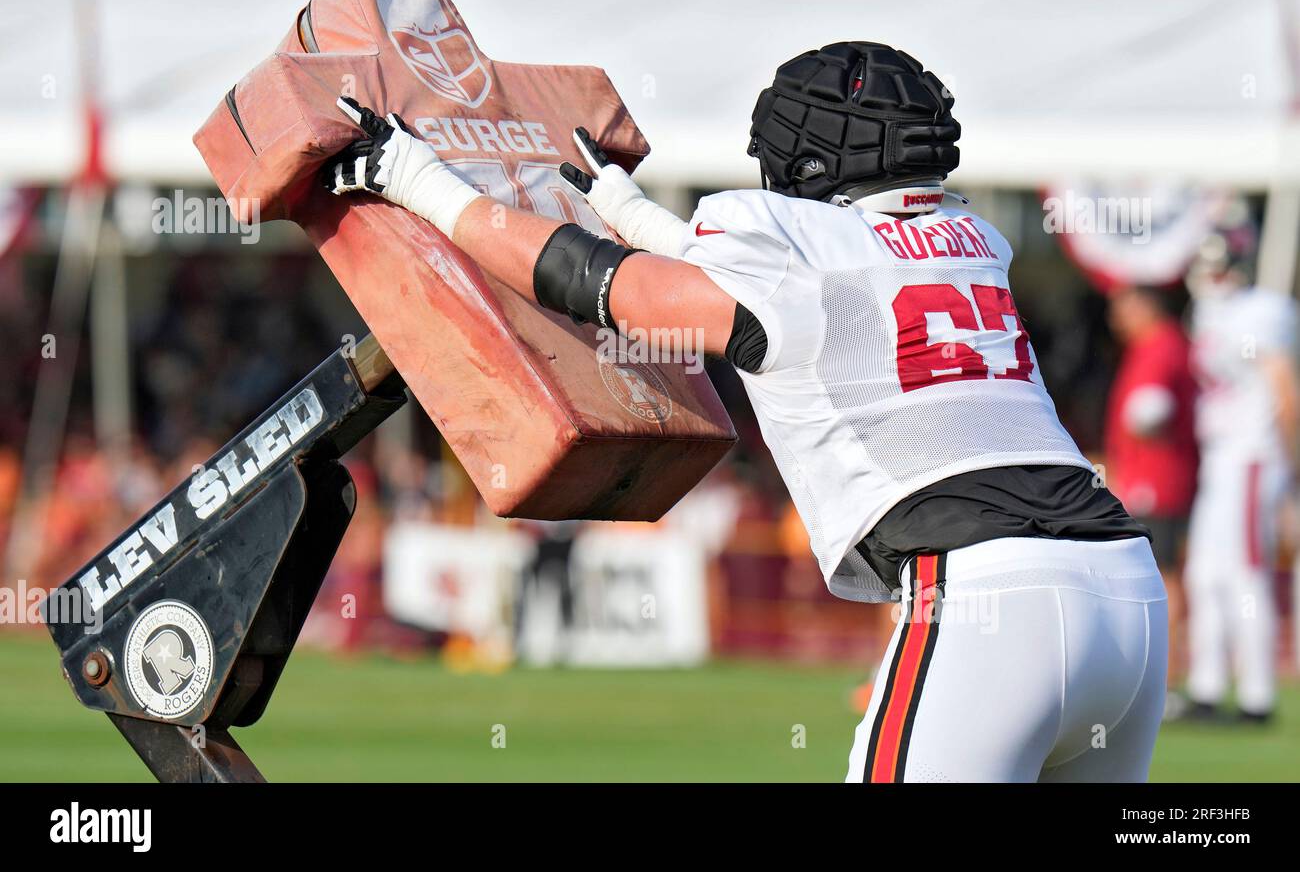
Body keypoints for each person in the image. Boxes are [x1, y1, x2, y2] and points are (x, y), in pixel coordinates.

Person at [323, 41, 1164, 782]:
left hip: (986, 595)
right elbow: (797, 281)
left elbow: (592, 284)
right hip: (1128, 593)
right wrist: (628, 209)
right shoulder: (977, 245)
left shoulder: (797, 252)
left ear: (801, 163)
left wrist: (417, 181)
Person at [1182, 214, 1299, 723]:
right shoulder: (1208, 312)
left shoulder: (1263, 312)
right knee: (1205, 575)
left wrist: (1293, 471)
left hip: (1254, 455)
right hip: (1220, 456)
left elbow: (1284, 390)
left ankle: (1257, 696)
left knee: (1246, 576)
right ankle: (1206, 687)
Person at [1104, 285, 1198, 693]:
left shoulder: (1159, 346)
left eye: (1122, 308)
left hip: (1157, 478)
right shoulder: (1159, 345)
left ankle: (1167, 675)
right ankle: (1163, 673)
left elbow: (1149, 409)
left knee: (1159, 574)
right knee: (1159, 573)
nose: (1116, 319)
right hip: (1154, 475)